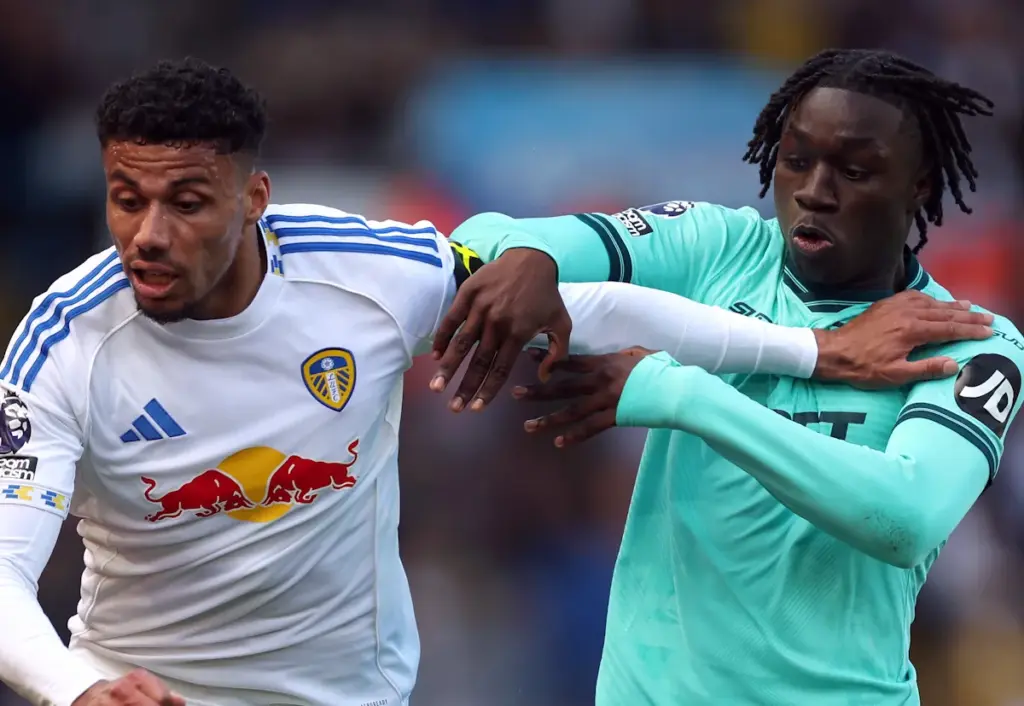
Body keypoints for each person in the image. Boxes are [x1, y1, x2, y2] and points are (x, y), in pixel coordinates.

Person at [0, 58, 985, 706]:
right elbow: (516, 260)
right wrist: (72, 685)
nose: (149, 234)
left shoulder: (973, 341)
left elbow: (897, 515)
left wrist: (742, 372)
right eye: (126, 200)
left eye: (185, 202)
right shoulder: (65, 341)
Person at [436, 49, 1021, 704]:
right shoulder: (713, 247)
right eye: (796, 159)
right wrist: (531, 253)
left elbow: (904, 518)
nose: (814, 191)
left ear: (919, 183)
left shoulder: (972, 341)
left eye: (855, 170)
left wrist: (680, 393)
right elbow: (477, 240)